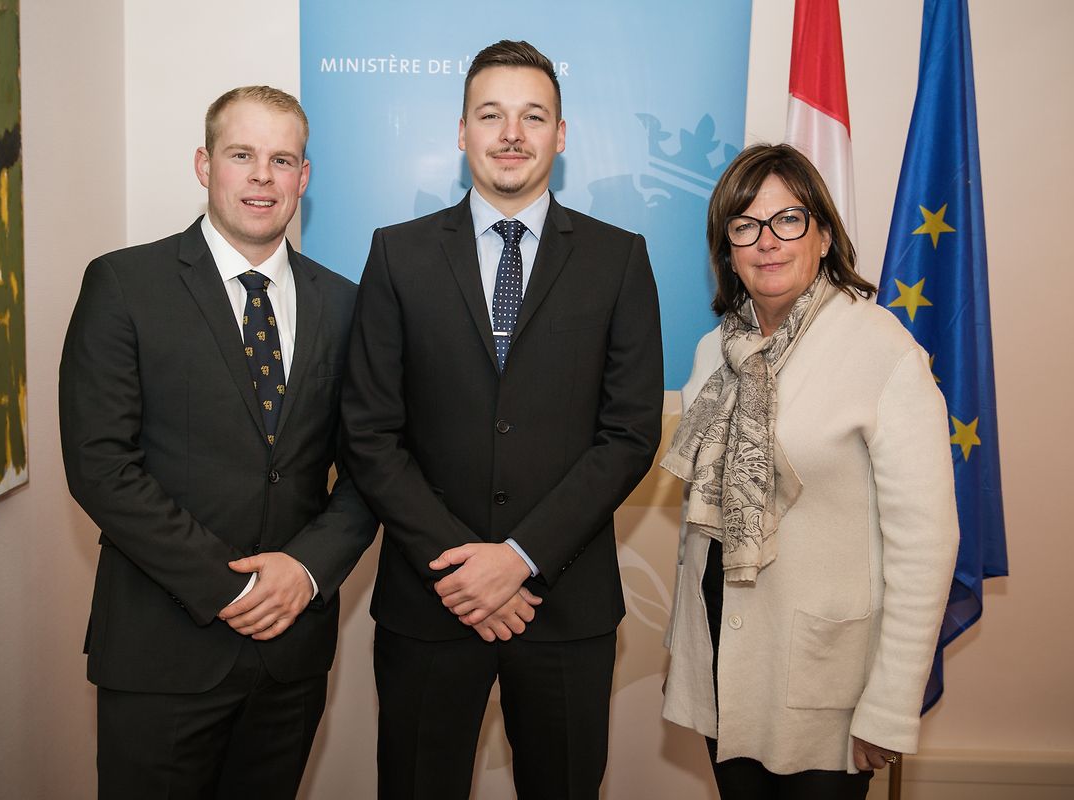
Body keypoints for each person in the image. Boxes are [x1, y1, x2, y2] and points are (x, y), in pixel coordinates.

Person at [341, 39, 663, 800]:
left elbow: (628, 437)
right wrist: (465, 564)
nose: (511, 133)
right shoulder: (398, 255)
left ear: (561, 133)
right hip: (431, 598)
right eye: (491, 114)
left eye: (532, 115)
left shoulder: (619, 259)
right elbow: (369, 433)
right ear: (461, 132)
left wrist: (518, 557)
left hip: (564, 604)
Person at [59, 85, 376, 800]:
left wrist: (305, 569)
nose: (263, 176)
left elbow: (369, 469)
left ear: (304, 177)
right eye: (242, 155)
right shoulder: (123, 285)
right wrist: (231, 585)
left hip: (291, 655)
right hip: (160, 653)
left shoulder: (347, 303)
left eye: (282, 159)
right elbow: (100, 467)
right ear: (205, 165)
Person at [659, 143, 960, 798]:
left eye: (788, 220)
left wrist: (890, 703)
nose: (767, 242)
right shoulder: (716, 349)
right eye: (746, 225)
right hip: (725, 662)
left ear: (823, 235)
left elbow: (927, 546)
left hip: (826, 685)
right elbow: (700, 529)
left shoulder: (881, 348)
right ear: (727, 247)